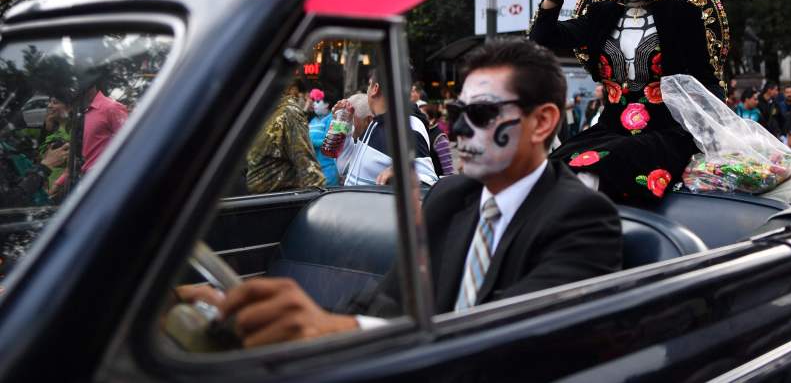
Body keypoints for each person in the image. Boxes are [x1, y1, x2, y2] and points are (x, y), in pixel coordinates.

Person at [179, 38, 622, 346]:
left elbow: (508, 337)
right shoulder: (452, 196)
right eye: (456, 112)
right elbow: (389, 299)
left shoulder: (583, 218)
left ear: (543, 122)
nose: (459, 129)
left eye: (483, 112)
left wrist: (337, 331)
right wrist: (286, 327)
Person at [529, 0, 723, 204]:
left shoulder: (681, 15)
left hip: (666, 133)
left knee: (595, 173)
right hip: (610, 130)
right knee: (548, 171)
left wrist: (719, 128)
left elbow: (706, 80)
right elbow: (541, 38)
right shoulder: (600, 15)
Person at [336, 69, 438, 187]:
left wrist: (401, 174)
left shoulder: (408, 126)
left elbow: (428, 182)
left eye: (369, 85)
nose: (367, 91)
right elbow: (345, 167)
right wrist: (344, 124)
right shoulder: (376, 124)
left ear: (375, 89)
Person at [246, 78, 326, 193]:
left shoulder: (270, 108)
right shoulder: (290, 112)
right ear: (296, 92)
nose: (310, 102)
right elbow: (305, 159)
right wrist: (320, 196)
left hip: (259, 192)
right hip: (276, 195)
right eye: (308, 97)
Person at [307, 90, 339, 187]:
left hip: (328, 169)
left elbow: (330, 141)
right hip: (314, 169)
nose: (314, 104)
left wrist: (309, 142)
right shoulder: (313, 120)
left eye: (317, 101)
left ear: (327, 104)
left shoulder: (331, 119)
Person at [423, 103, 455, 176]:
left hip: (437, 183)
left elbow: (448, 170)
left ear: (432, 119)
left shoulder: (440, 138)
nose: (420, 117)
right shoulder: (422, 133)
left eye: (423, 115)